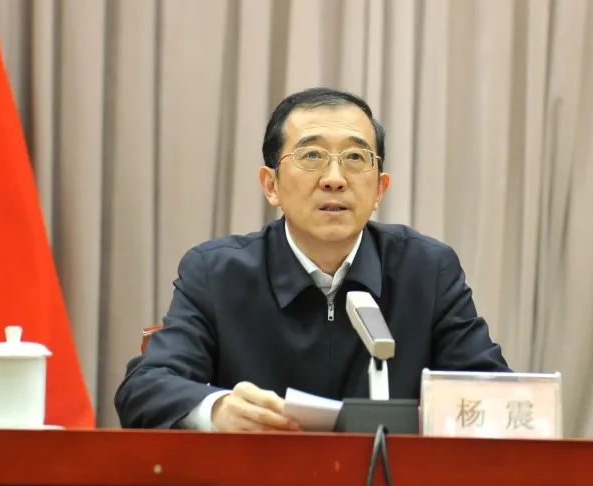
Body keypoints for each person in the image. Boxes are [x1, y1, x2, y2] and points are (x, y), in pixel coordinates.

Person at [115, 87, 509, 431]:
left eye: (355, 157)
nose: (334, 178)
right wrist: (217, 410)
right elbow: (145, 388)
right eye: (312, 155)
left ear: (379, 189)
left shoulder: (426, 271)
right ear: (271, 184)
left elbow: (497, 397)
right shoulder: (217, 273)